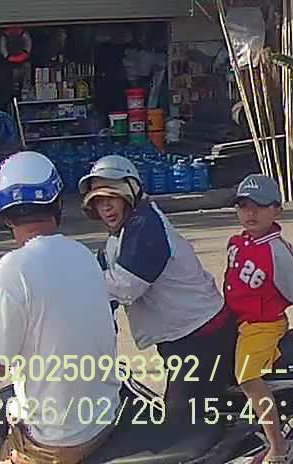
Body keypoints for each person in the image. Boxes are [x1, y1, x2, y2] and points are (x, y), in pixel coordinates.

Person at [0, 152, 120, 464]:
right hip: (102, 415)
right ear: (57, 204)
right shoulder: (83, 255)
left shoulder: (14, 268)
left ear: (5, 216)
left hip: (58, 438)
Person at [80, 155, 235, 417]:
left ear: (130, 192)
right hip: (180, 336)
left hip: (200, 334)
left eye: (112, 197)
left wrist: (76, 285)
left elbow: (126, 286)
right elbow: (104, 284)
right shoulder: (120, 236)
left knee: (181, 421)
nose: (106, 207)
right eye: (98, 200)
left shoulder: (145, 225)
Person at [225, 175, 293, 464]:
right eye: (243, 206)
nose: (250, 213)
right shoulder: (237, 242)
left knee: (247, 377)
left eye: (259, 206)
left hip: (263, 325)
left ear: (277, 210)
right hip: (237, 320)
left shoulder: (277, 250)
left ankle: (278, 446)